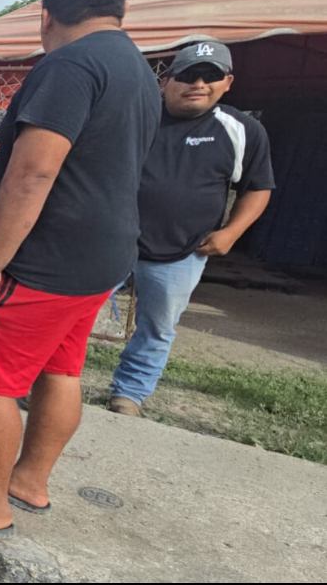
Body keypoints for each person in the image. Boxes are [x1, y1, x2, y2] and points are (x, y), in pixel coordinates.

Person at [0, 0, 161, 538]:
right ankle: (27, 480)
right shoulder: (138, 69)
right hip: (103, 258)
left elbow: (33, 172)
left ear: (46, 16)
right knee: (61, 367)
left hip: (47, 261)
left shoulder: (69, 66)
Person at [108, 42, 274, 417]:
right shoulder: (138, 116)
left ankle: (129, 395)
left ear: (227, 82)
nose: (198, 83)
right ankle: (47, 380)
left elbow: (258, 188)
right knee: (73, 310)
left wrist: (231, 233)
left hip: (182, 251)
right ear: (166, 82)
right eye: (187, 75)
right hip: (113, 239)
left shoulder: (241, 130)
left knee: (158, 327)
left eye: (211, 75)